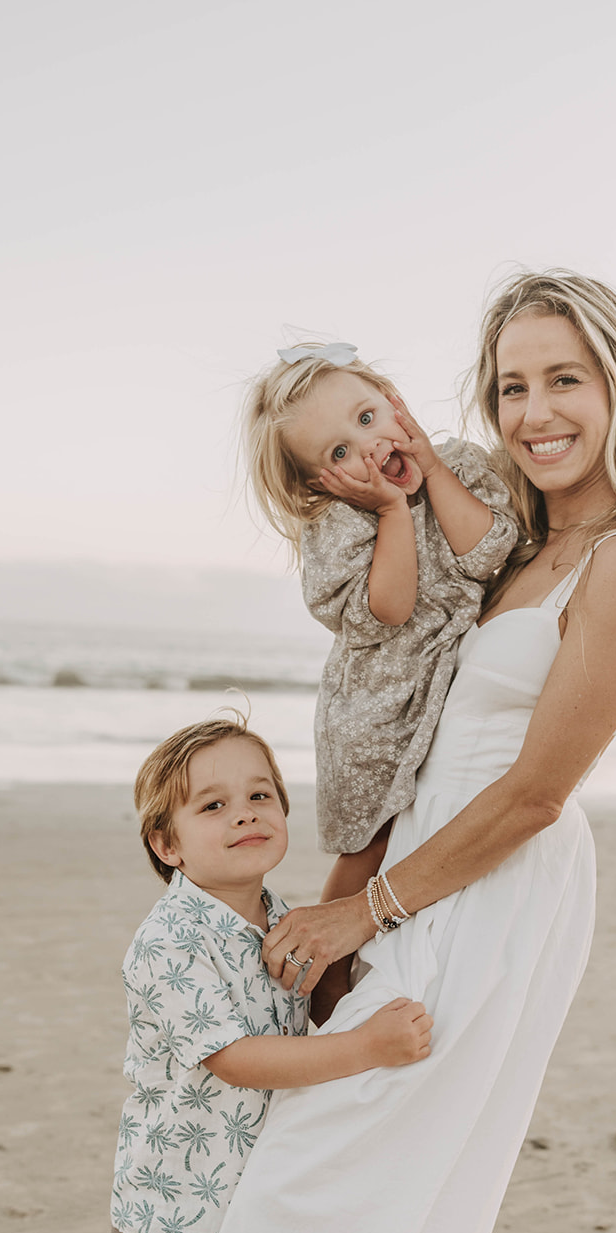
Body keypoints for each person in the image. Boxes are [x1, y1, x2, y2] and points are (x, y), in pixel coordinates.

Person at [168, 271, 616, 1233]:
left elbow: (531, 792)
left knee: (328, 1180)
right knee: (420, 1178)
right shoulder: (525, 541)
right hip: (426, 875)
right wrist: (348, 884)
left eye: (562, 379)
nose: (534, 410)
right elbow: (408, 707)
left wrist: (367, 915)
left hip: (492, 891)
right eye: (512, 384)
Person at [106, 716, 432, 1233]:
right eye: (211, 806)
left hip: (253, 1208)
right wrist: (363, 1048)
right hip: (174, 1216)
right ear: (167, 844)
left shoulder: (283, 920)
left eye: (259, 795)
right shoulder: (170, 940)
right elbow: (236, 1057)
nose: (245, 813)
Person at [245, 343, 518, 947]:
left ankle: (388, 947)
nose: (368, 446)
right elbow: (388, 610)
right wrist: (392, 510)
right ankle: (325, 957)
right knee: (371, 840)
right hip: (373, 708)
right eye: (340, 452)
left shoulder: (459, 469)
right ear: (319, 482)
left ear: (394, 400)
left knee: (427, 830)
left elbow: (487, 551)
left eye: (369, 417)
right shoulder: (340, 521)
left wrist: (433, 471)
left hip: (441, 689)